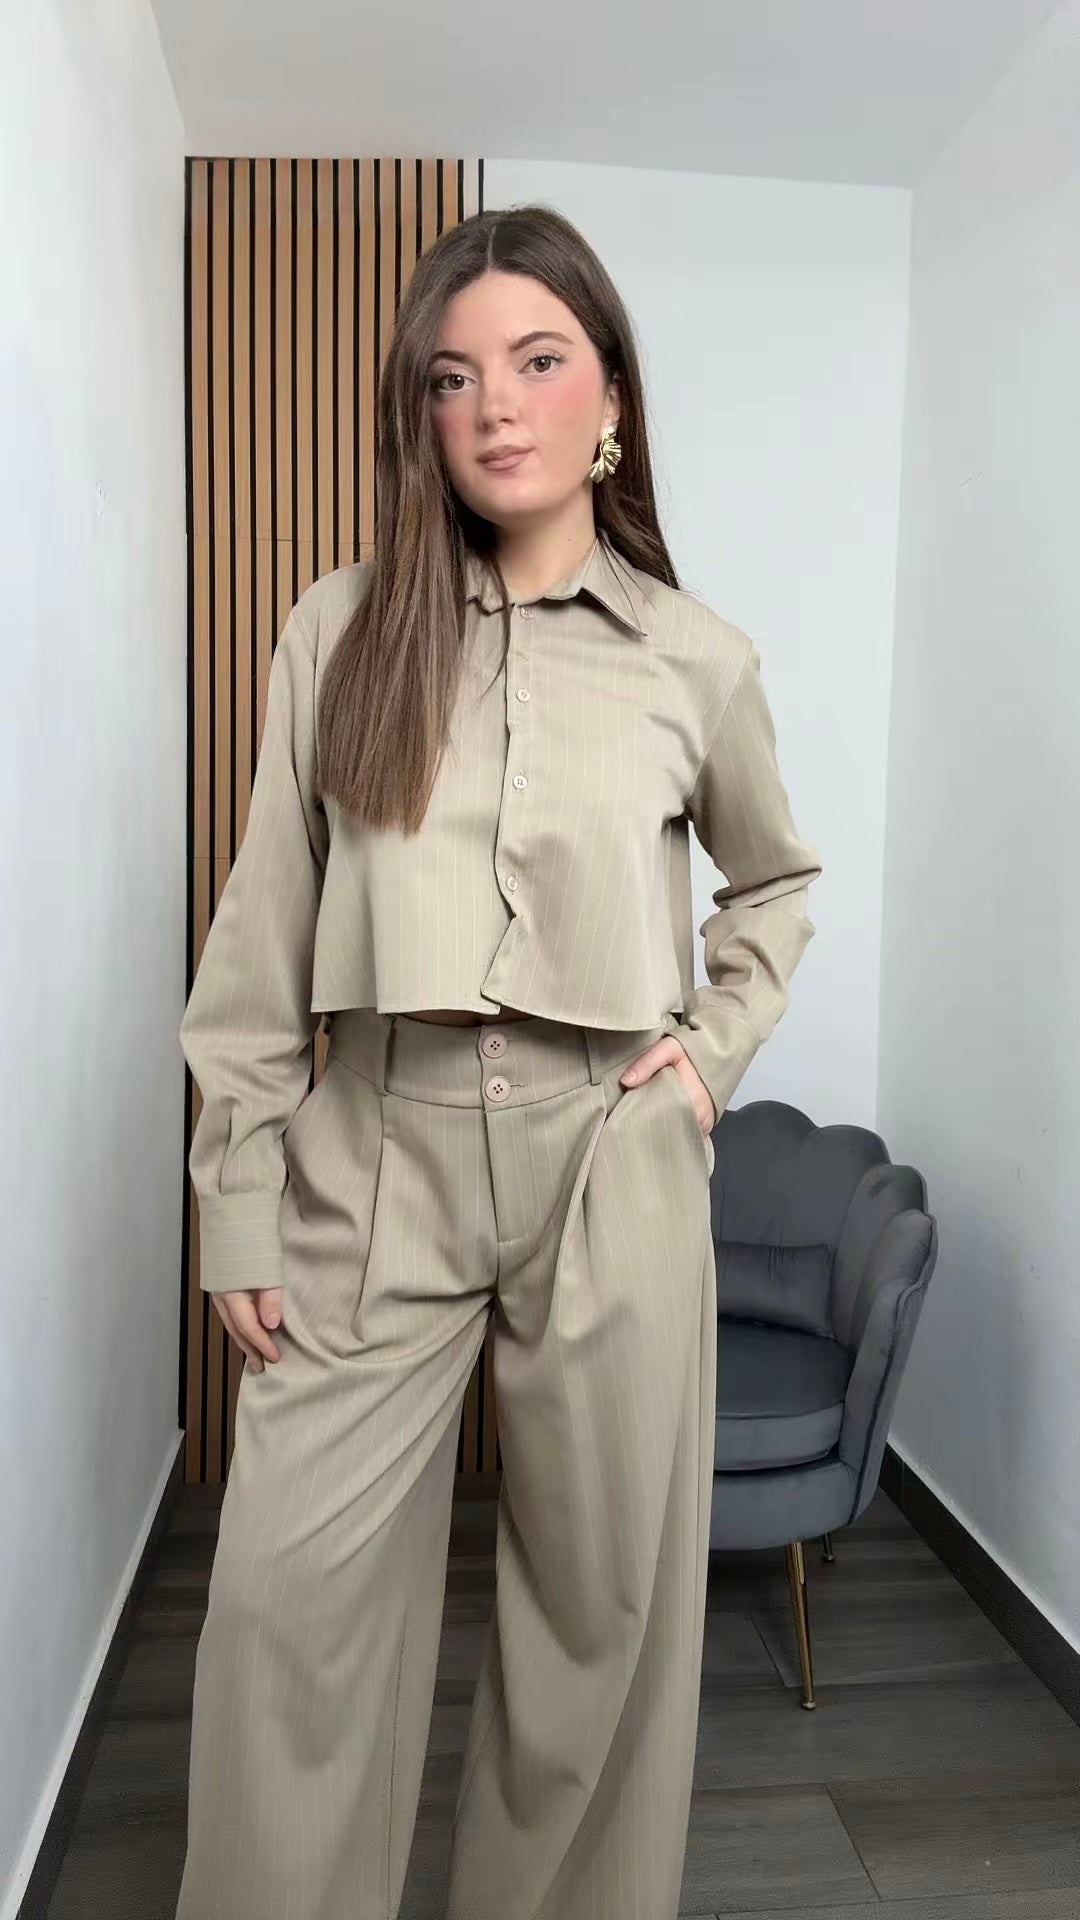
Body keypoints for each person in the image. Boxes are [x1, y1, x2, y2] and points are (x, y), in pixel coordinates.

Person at [174, 201, 822, 1920]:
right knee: (284, 1609)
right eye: (452, 377)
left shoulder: (696, 659)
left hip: (607, 1154)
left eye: (537, 360)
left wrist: (708, 1054)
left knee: (598, 1618)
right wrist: (238, 1200)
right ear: (422, 413)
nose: (494, 405)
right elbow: (260, 937)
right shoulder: (337, 634)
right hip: (371, 1148)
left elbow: (777, 881)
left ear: (609, 394)